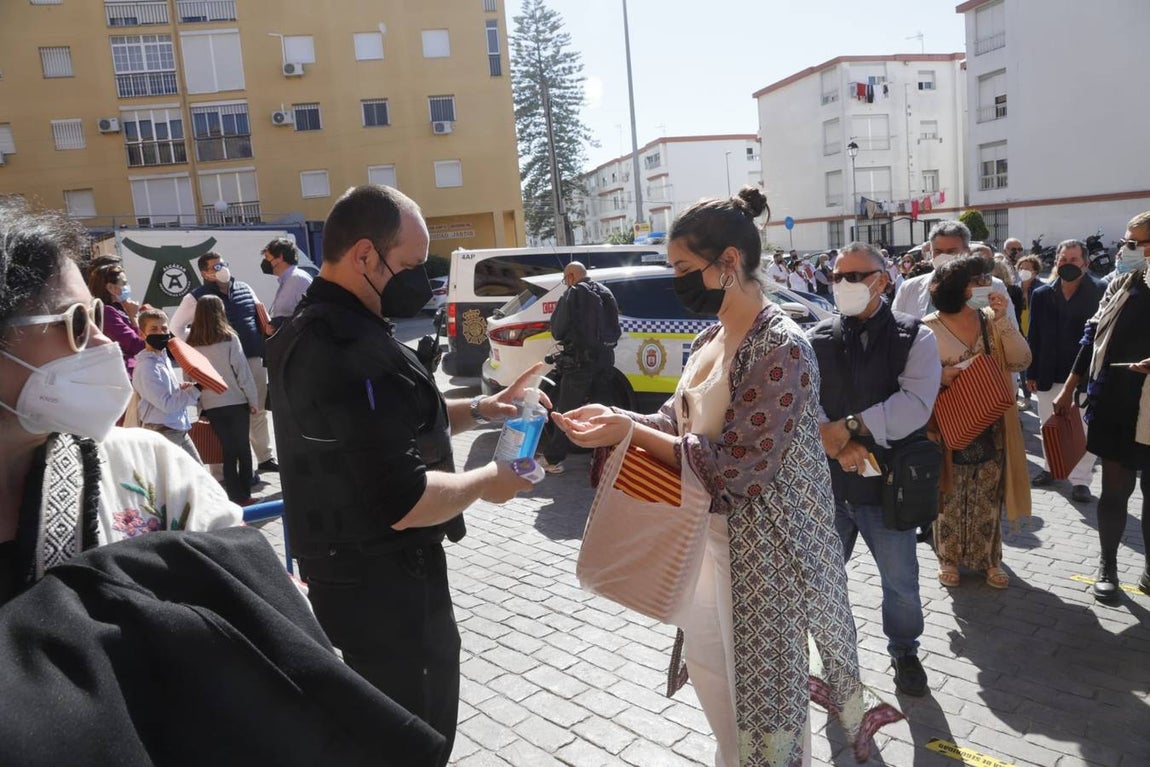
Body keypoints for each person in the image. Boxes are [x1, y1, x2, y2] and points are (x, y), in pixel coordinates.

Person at [552, 188, 902, 767]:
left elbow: (738, 469)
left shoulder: (780, 346)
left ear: (729, 262)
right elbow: (677, 420)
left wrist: (628, 433)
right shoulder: (708, 339)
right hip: (704, 549)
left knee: (767, 717)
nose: (678, 281)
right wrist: (620, 420)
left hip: (768, 561)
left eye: (686, 269)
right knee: (721, 699)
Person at [266, 184, 543, 766]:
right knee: (415, 738)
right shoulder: (352, 351)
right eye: (412, 265)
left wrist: (479, 410)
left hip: (349, 577)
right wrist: (489, 480)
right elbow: (405, 498)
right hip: (388, 587)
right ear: (365, 256)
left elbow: (384, 430)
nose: (421, 279)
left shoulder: (310, 330)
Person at [0, 200, 240, 605]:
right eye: (76, 322)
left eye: (95, 313)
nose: (103, 342)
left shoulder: (155, 472)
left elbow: (274, 620)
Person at [807, 242, 941, 698]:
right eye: (837, 276)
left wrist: (849, 430)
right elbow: (806, 401)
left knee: (900, 582)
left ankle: (905, 651)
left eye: (855, 276)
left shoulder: (913, 336)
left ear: (882, 280)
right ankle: (834, 660)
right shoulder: (818, 338)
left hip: (886, 486)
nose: (844, 285)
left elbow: (915, 404)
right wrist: (836, 444)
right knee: (822, 581)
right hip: (829, 484)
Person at [1053, 211, 1150, 601]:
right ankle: (1107, 565)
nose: (1124, 248)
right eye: (1126, 240)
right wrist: (1068, 389)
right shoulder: (1120, 283)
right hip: (1115, 402)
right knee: (1114, 492)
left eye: (1134, 242)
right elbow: (1092, 336)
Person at [922, 256, 1031, 589]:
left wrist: (1003, 321)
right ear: (958, 287)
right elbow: (911, 378)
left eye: (985, 277)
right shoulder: (927, 327)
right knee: (950, 494)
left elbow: (1020, 360)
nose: (986, 284)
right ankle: (948, 558)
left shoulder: (989, 319)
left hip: (991, 422)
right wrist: (940, 375)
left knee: (987, 493)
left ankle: (989, 560)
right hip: (948, 424)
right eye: (977, 279)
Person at [170, 252, 277, 474]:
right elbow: (176, 328)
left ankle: (265, 458)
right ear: (204, 273)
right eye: (215, 266)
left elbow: (261, 315)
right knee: (223, 416)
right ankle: (223, 468)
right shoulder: (195, 298)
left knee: (256, 409)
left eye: (223, 264)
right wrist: (201, 344)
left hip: (253, 357)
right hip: (220, 366)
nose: (221, 268)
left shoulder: (245, 288)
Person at [1027, 240, 1104, 501]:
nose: (1067, 264)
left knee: (1082, 429)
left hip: (1083, 375)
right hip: (1048, 373)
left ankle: (1081, 480)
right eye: (1063, 259)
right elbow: (1033, 335)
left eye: (1073, 260)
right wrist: (1032, 372)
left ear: (1085, 263)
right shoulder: (1041, 294)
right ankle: (1051, 468)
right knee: (1047, 423)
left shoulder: (1101, 291)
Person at [539, 260, 620, 475]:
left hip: (579, 364)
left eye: (566, 278)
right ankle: (609, 458)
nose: (565, 283)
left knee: (565, 412)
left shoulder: (572, 294)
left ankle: (552, 460)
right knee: (604, 412)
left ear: (571, 277)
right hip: (604, 361)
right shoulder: (606, 292)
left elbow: (558, 330)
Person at [186, 295, 261, 505]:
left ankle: (232, 495)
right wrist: (253, 400)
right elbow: (242, 371)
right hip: (236, 400)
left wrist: (199, 405)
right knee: (243, 448)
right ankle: (245, 493)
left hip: (211, 405)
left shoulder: (191, 343)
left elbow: (190, 377)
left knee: (227, 450)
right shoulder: (229, 338)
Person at [893, 221, 1019, 330]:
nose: (944, 257)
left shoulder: (994, 286)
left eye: (951, 251)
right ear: (930, 252)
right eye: (938, 251)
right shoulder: (908, 288)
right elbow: (894, 332)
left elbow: (1011, 331)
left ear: (967, 252)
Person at [133, 308, 202, 462]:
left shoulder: (162, 357)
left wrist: (180, 387)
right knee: (181, 480)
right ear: (142, 334)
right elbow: (167, 404)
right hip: (164, 432)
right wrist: (197, 389)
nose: (160, 333)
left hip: (177, 428)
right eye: (153, 329)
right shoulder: (147, 367)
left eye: (164, 328)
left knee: (197, 476)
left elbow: (165, 391)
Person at [87, 263, 144, 377]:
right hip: (126, 374)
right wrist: (134, 317)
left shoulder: (118, 309)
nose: (127, 286)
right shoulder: (107, 313)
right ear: (111, 288)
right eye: (124, 283)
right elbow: (138, 347)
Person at [261, 236, 313, 330]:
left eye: (267, 257)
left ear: (280, 257)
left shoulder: (298, 280)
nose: (265, 262)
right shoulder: (286, 281)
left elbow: (311, 315)